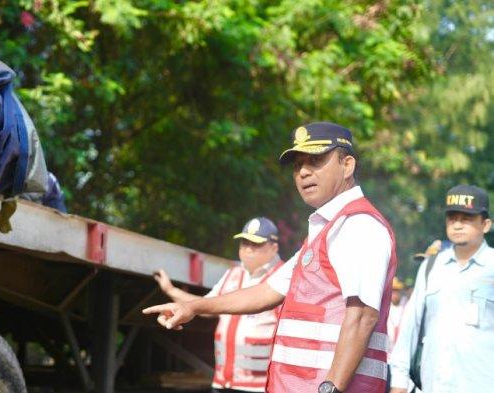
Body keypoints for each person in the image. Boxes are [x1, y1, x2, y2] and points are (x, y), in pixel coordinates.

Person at [144, 122, 397, 393]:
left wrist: (330, 389)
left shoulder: (358, 226)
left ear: (347, 166)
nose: (303, 172)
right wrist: (194, 307)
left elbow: (362, 317)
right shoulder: (327, 230)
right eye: (297, 165)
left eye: (316, 160)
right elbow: (265, 292)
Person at [154, 217, 284, 392]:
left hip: (261, 386)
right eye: (244, 243)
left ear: (274, 248)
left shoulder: (283, 276)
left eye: (256, 244)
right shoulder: (233, 273)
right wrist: (171, 290)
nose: (248, 249)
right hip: (223, 382)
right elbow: (206, 307)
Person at [389, 185, 494, 393]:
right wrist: (398, 385)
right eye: (452, 218)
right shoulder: (431, 267)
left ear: (486, 225)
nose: (457, 224)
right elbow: (410, 328)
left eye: (467, 218)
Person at [387, 277, 407, 353]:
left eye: (396, 291)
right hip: (388, 350)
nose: (394, 294)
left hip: (401, 350)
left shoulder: (406, 306)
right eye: (392, 291)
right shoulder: (386, 308)